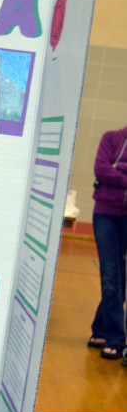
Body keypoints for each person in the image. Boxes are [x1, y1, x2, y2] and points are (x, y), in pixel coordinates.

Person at [89, 126, 127, 359]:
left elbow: (111, 171)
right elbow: (101, 170)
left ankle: (100, 328)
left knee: (119, 275)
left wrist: (120, 168)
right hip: (106, 215)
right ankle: (116, 338)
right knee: (111, 274)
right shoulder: (112, 138)